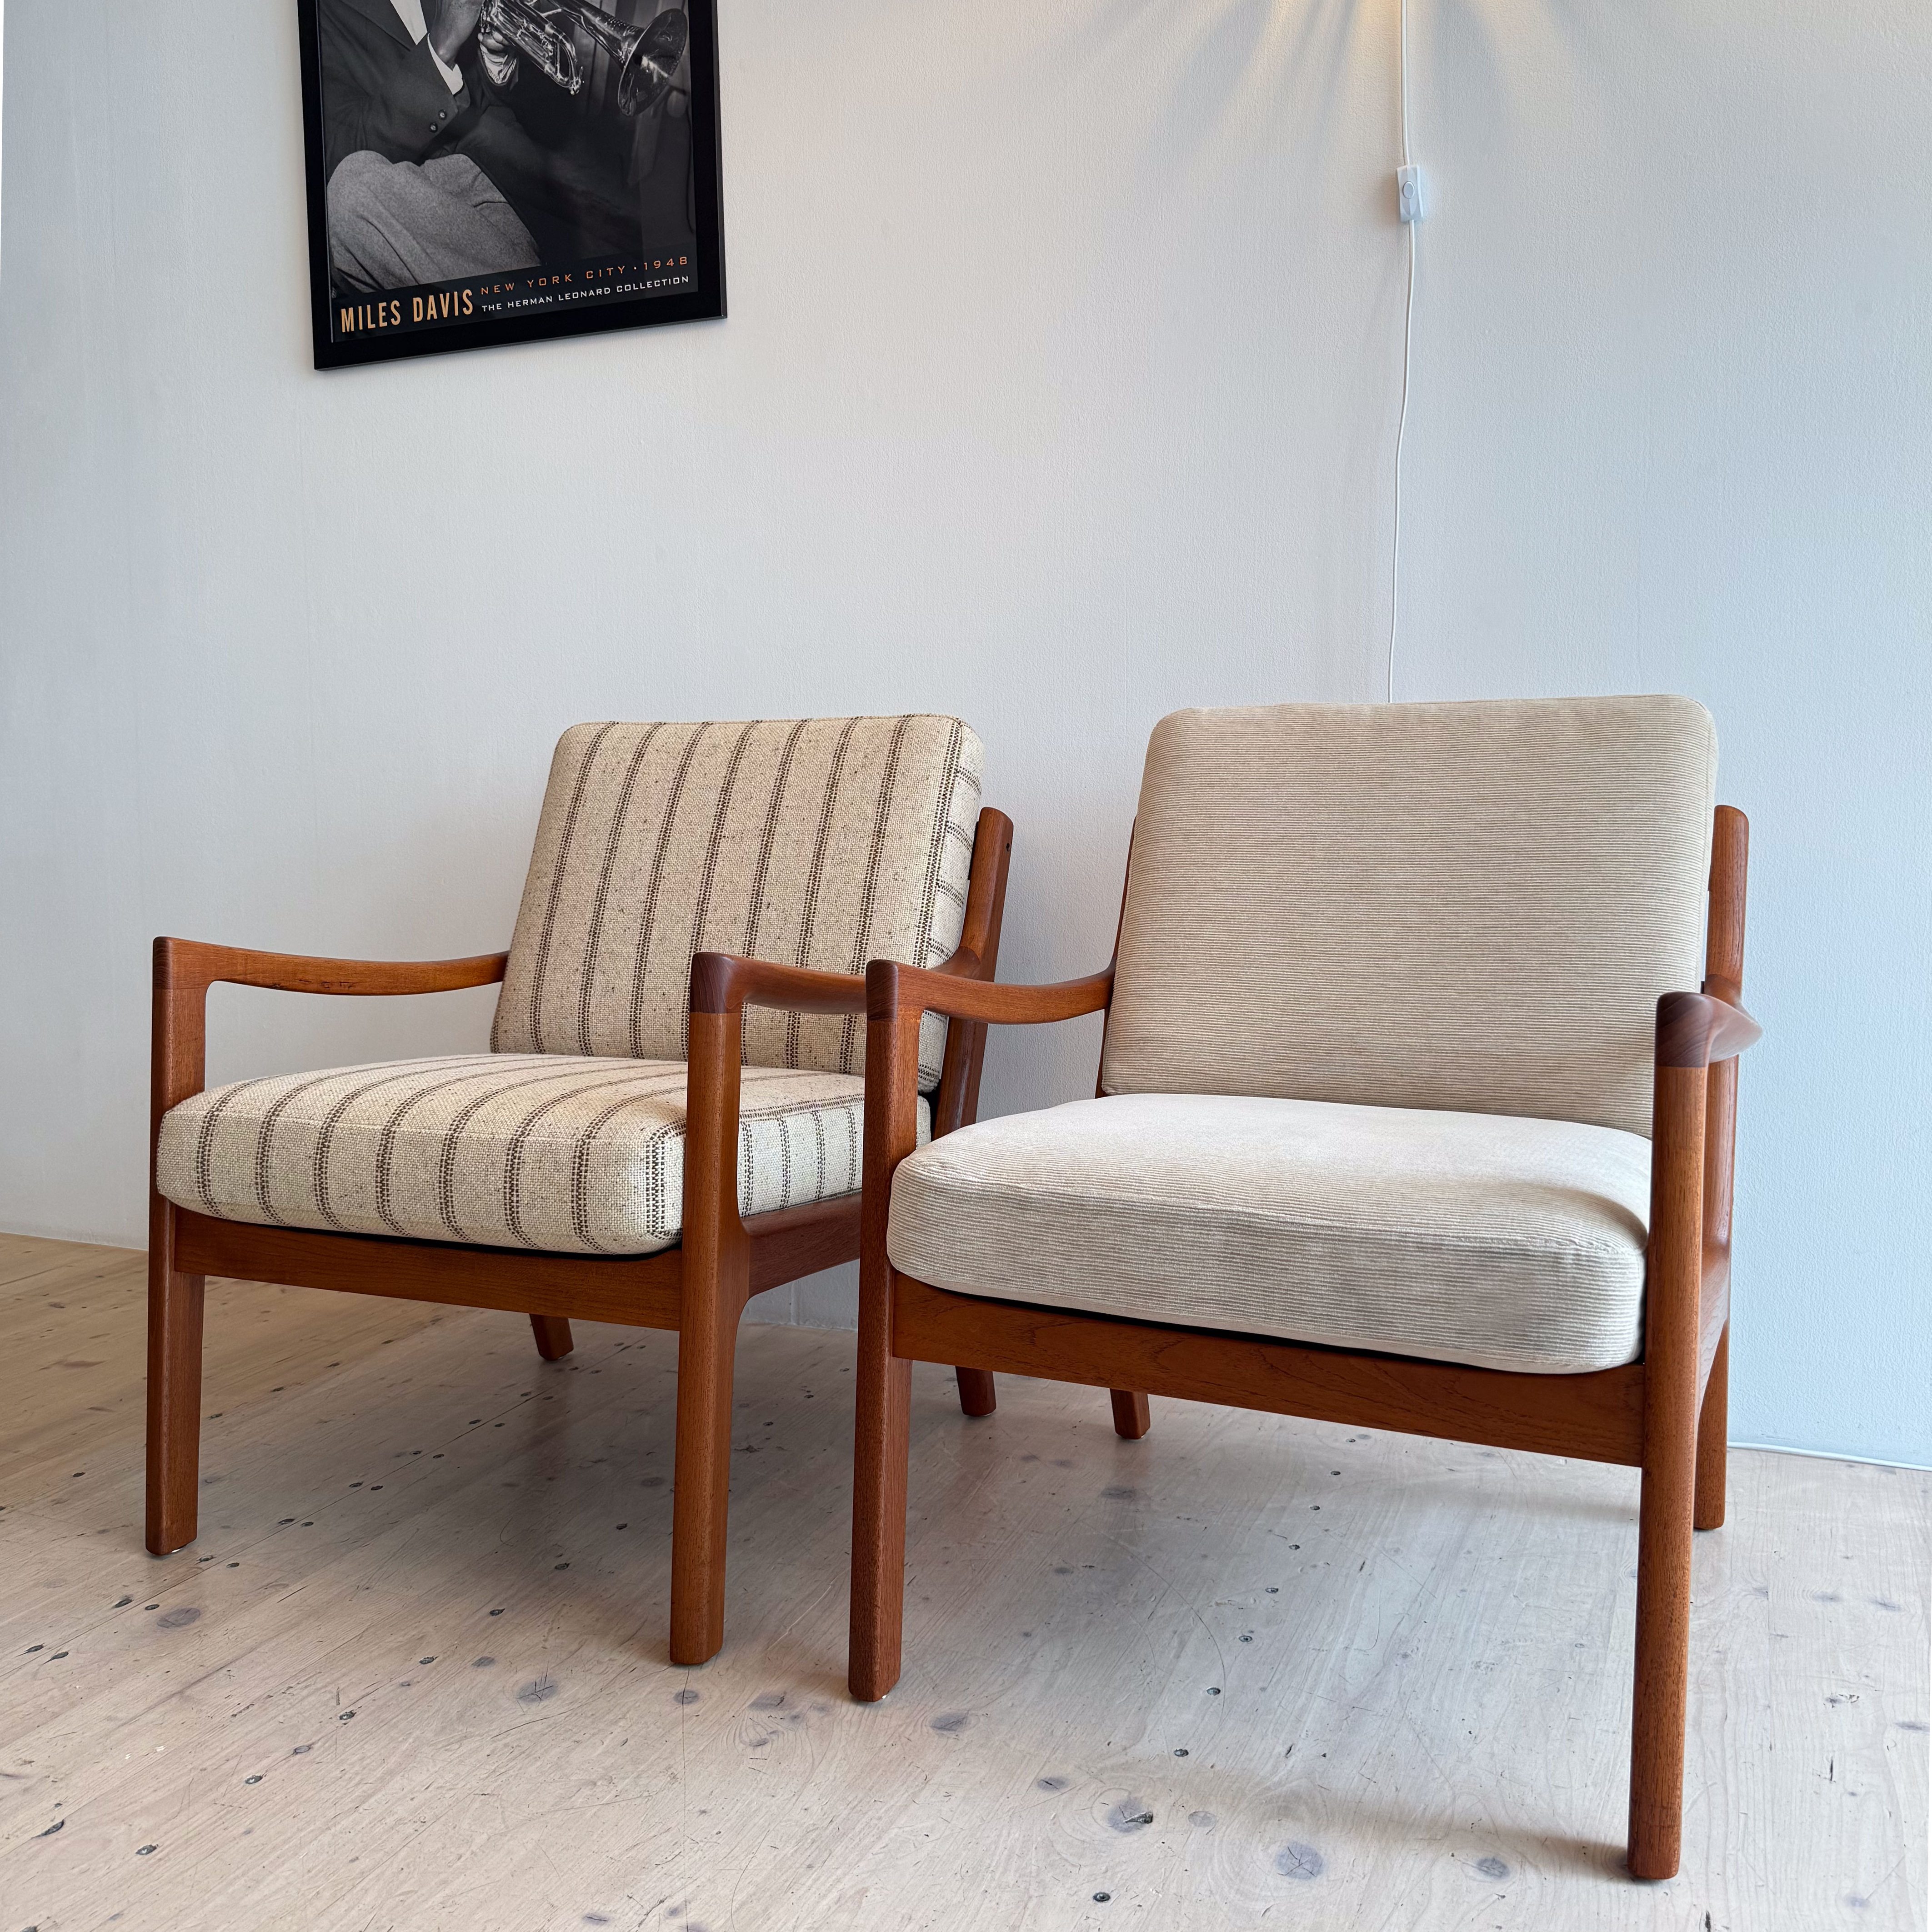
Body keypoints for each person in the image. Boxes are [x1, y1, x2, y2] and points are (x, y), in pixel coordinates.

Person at [320, 0, 639, 293]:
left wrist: (497, 56)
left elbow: (508, 101)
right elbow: (343, 148)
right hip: (397, 195)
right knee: (348, 193)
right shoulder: (313, 17)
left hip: (494, 173)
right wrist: (440, 46)